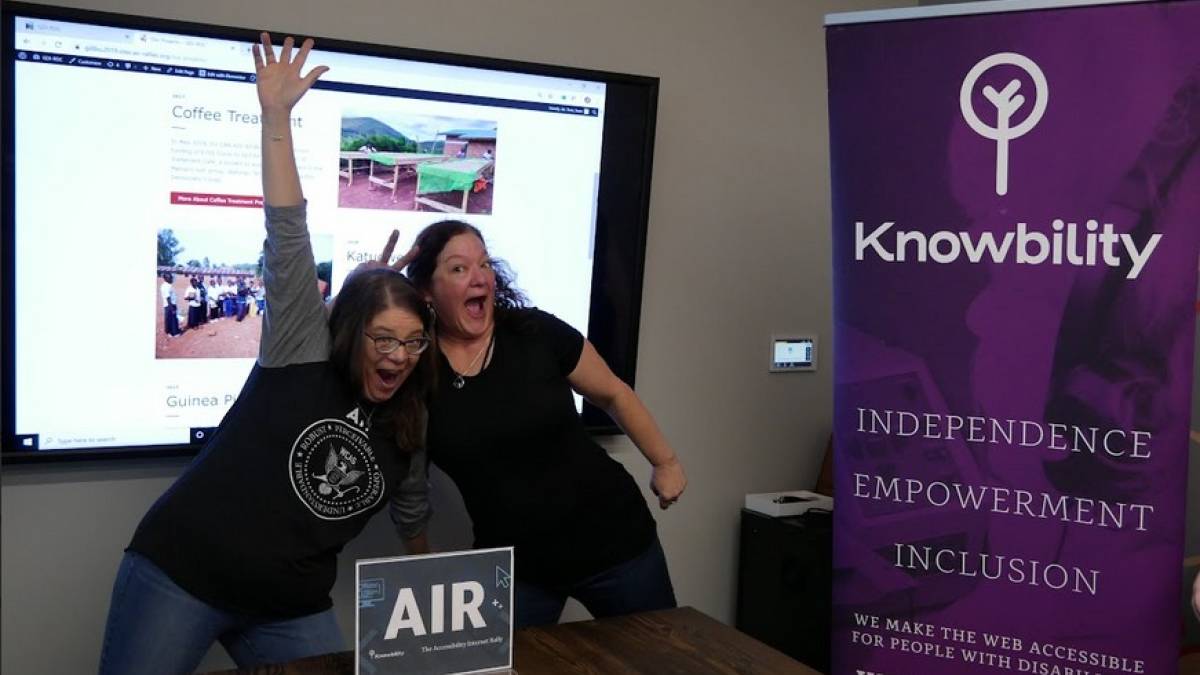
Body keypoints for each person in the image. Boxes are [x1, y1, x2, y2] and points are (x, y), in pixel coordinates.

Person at [98, 34, 433, 674]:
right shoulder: (301, 350)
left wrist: (431, 586)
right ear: (354, 330)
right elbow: (288, 231)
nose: (399, 356)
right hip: (184, 573)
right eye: (384, 339)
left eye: (412, 343)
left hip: (289, 607)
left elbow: (411, 502)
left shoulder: (412, 413)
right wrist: (275, 118)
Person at [405, 220, 688, 628]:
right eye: (458, 269)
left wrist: (666, 462)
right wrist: (419, 562)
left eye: (483, 264)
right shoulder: (417, 372)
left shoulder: (534, 332)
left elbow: (612, 393)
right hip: (517, 571)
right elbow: (408, 482)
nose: (479, 277)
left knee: (659, 658)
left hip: (614, 544)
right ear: (426, 292)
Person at [160, 272, 181, 337]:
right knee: (172, 319)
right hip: (169, 305)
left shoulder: (168, 285)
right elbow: (168, 297)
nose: (171, 279)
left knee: (171, 318)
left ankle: (170, 331)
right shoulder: (165, 286)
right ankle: (174, 333)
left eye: (171, 277)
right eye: (170, 278)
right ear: (165, 279)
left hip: (171, 304)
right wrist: (172, 308)